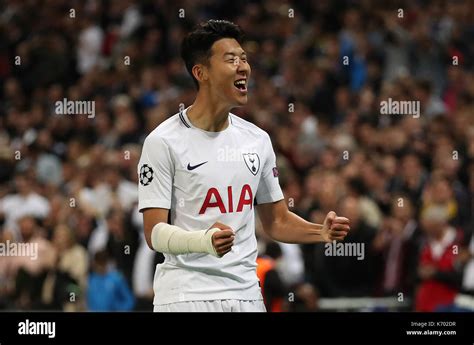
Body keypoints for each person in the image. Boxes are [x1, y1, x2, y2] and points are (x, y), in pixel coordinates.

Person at [138, 19, 351, 312]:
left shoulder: (257, 140)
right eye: (230, 59)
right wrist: (203, 242)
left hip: (247, 295)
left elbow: (276, 220)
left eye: (244, 58)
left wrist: (320, 232)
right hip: (186, 296)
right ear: (201, 73)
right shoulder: (163, 141)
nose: (243, 67)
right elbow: (154, 233)